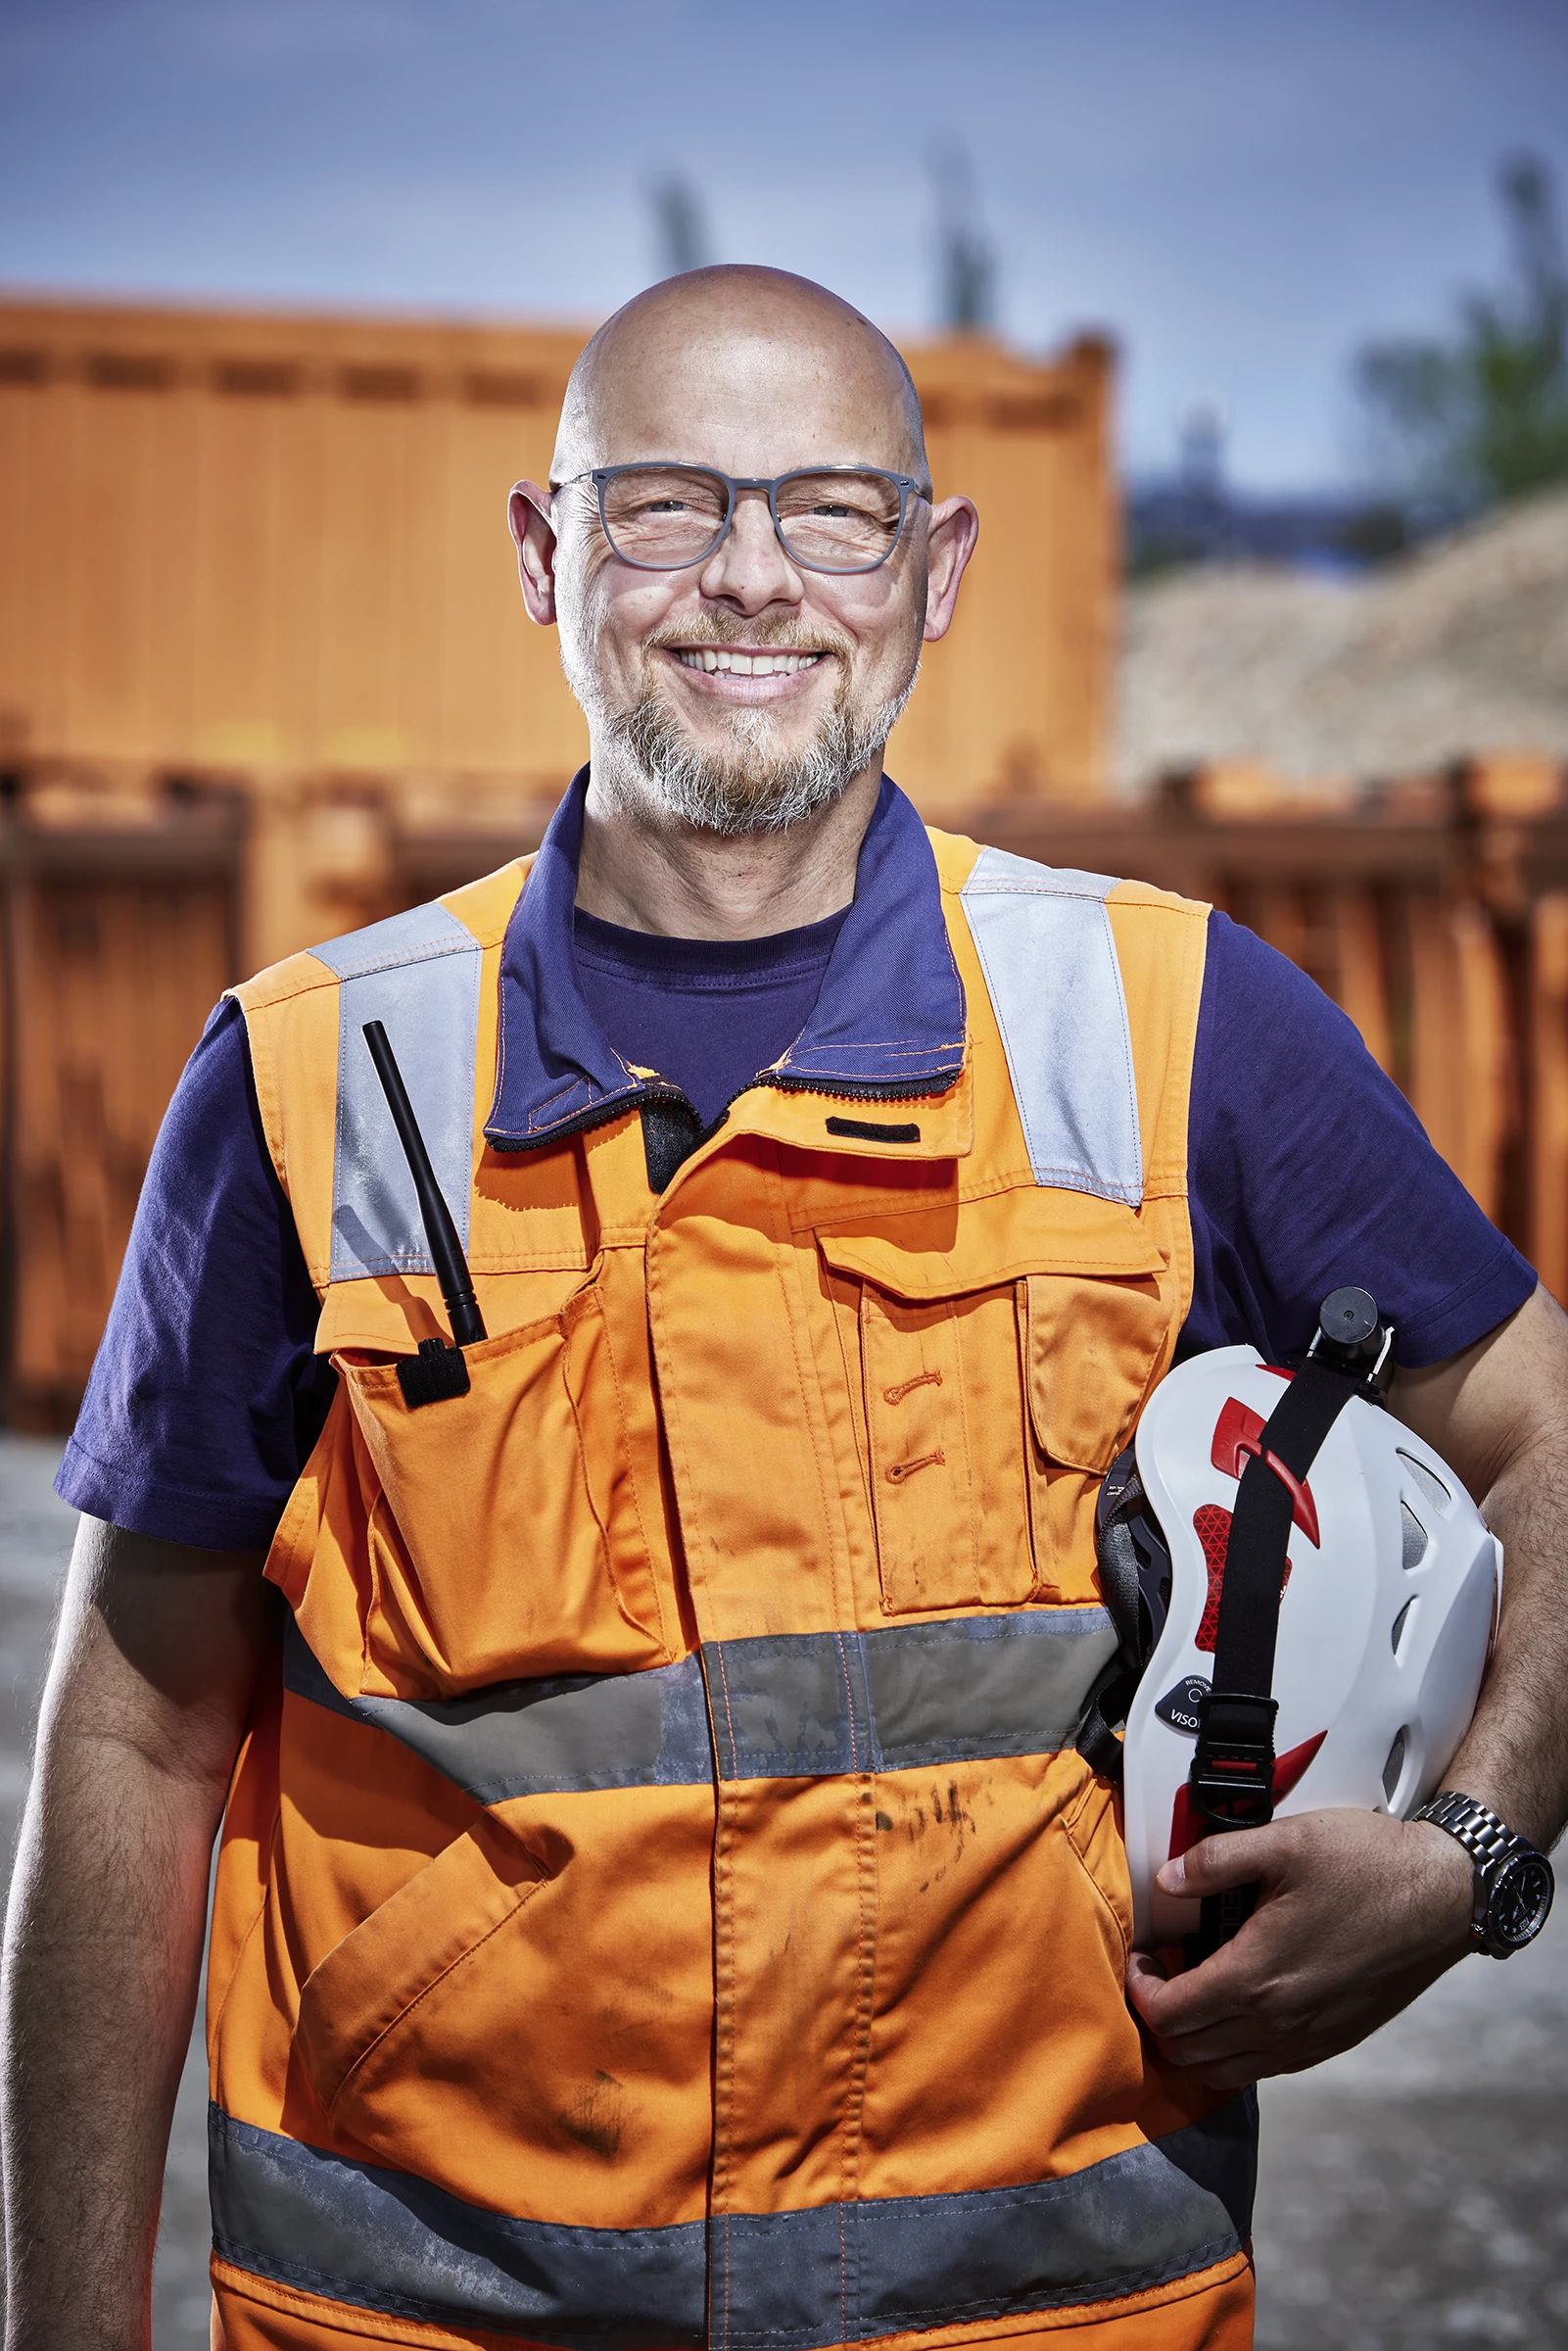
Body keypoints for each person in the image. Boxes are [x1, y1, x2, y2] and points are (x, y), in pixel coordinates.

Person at [3, 264, 1565, 2351]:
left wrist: (1468, 1857)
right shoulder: (314, 1083)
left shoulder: (1166, 1022)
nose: (748, 581)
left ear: (933, 573)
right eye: (661, 508)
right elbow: (133, 1725)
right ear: (541, 556)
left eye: (829, 513)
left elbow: (1543, 1439)